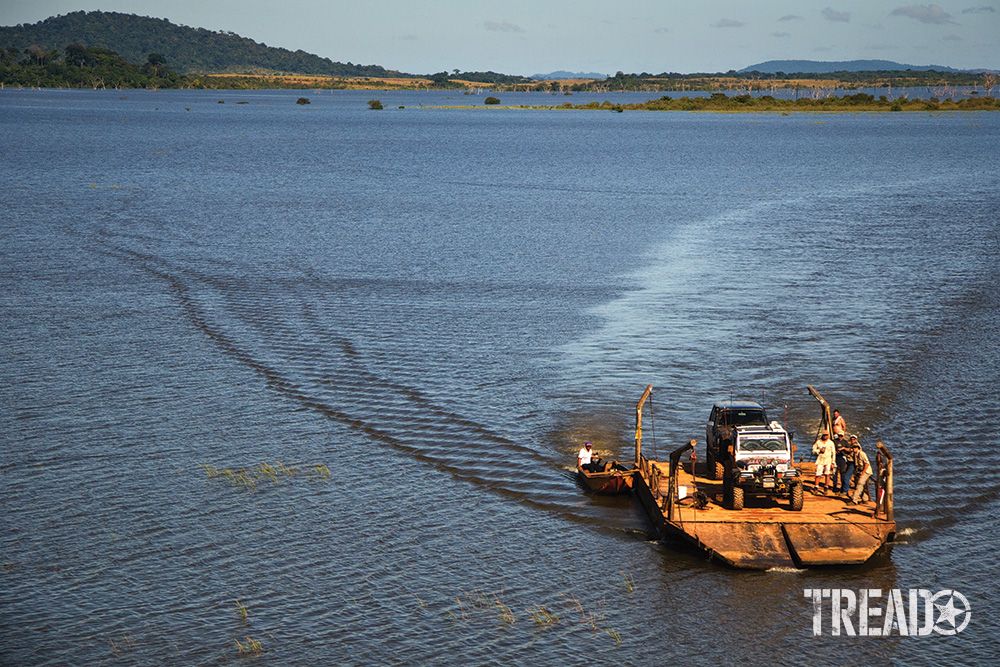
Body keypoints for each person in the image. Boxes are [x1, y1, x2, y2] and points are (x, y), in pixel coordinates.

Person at [850, 440, 873, 505]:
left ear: (858, 448)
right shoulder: (856, 454)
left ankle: (854, 500)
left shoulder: (862, 454)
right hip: (861, 470)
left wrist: (863, 472)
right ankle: (864, 499)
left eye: (855, 447)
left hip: (866, 471)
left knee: (859, 484)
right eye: (853, 448)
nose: (854, 449)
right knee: (860, 484)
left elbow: (867, 463)